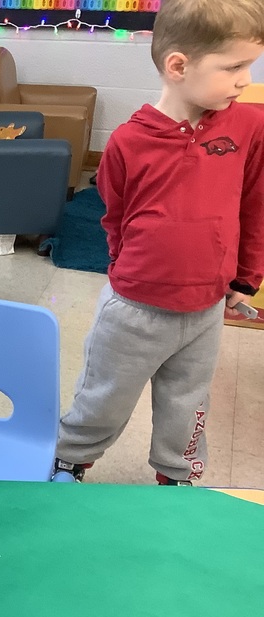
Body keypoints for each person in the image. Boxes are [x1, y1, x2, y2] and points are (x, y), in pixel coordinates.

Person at [53, 0, 264, 485]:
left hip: (206, 309)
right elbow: (116, 214)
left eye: (249, 66)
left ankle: (177, 475)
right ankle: (69, 460)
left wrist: (246, 277)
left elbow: (253, 207)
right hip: (134, 309)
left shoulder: (248, 129)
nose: (245, 79)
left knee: (189, 403)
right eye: (234, 67)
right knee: (104, 395)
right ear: (178, 66)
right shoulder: (129, 140)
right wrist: (129, 267)